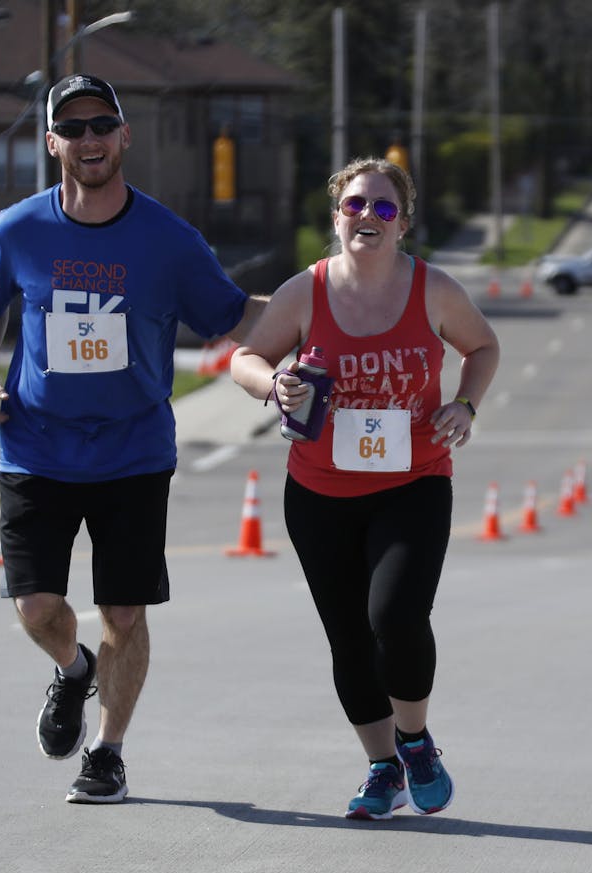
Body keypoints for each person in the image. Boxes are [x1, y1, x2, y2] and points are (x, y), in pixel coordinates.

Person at [0, 74, 269, 805]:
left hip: (134, 452)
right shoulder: (17, 230)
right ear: (52, 142)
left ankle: (107, 750)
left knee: (123, 612)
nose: (88, 140)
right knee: (37, 609)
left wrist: (342, 297)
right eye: (72, 129)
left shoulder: (170, 241)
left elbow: (235, 315)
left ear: (124, 136)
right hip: (35, 446)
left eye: (100, 125)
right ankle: (74, 669)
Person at [230, 157, 499, 821]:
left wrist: (465, 404)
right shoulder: (305, 291)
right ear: (336, 215)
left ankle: (415, 739)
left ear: (404, 222)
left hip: (414, 480)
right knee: (349, 637)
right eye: (355, 205)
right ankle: (382, 767)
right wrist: (273, 385)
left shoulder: (433, 290)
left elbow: (483, 347)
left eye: (384, 208)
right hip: (319, 490)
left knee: (395, 616)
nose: (367, 217)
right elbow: (244, 356)